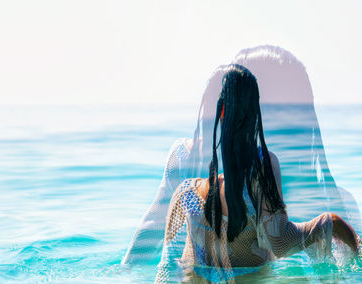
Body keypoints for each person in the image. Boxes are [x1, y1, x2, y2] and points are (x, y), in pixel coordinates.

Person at [122, 45, 361, 266]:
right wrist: (330, 223)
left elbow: (152, 231)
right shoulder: (266, 168)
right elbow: (282, 242)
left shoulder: (188, 172)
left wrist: (123, 273)